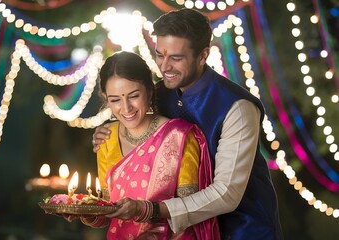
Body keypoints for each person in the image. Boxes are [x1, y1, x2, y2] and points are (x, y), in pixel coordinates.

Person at [92, 8, 283, 240]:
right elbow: (139, 127)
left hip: (242, 228)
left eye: (176, 57)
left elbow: (227, 193)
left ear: (203, 56)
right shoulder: (159, 94)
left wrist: (151, 210)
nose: (164, 67)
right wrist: (109, 133)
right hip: (179, 232)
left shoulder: (237, 108)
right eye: (160, 55)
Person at [81, 51, 220, 239]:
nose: (126, 108)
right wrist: (84, 213)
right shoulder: (106, 138)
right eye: (115, 100)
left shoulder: (179, 137)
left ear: (150, 90)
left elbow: (190, 213)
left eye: (133, 95)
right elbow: (107, 212)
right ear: (106, 98)